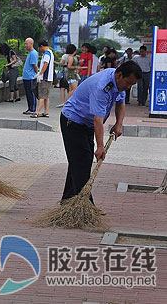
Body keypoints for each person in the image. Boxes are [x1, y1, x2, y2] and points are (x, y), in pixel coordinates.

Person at [60, 61, 142, 204]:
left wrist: (118, 124)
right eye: (128, 83)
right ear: (119, 75)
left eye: (131, 85)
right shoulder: (101, 87)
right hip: (72, 121)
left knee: (79, 161)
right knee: (82, 161)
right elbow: (97, 120)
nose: (128, 87)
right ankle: (84, 204)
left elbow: (120, 104)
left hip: (87, 123)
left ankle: (68, 200)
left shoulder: (119, 83)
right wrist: (100, 146)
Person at [32, 40, 54, 118]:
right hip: (49, 78)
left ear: (41, 46)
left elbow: (46, 64)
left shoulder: (47, 54)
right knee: (46, 96)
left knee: (41, 95)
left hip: (45, 78)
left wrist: (40, 73)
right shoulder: (50, 52)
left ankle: (37, 112)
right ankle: (46, 112)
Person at [22, 38, 38, 115]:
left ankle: (33, 108)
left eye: (26, 43)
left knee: (31, 93)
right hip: (26, 77)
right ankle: (30, 108)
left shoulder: (33, 53)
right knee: (28, 93)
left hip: (30, 77)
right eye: (25, 43)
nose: (25, 45)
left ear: (31, 44)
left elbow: (35, 66)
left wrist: (36, 74)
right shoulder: (30, 53)